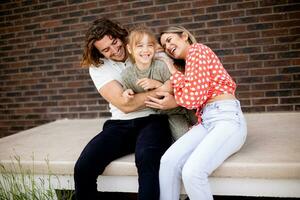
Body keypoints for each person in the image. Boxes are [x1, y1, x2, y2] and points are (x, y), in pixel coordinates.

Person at [74, 18, 173, 200]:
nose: (114, 50)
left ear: (120, 36)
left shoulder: (143, 48)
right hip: (120, 124)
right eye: (106, 49)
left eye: (114, 42)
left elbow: (175, 83)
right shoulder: (98, 67)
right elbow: (125, 105)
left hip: (154, 118)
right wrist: (161, 90)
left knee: (147, 158)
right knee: (83, 167)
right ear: (98, 53)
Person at [146, 26, 247, 200]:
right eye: (164, 46)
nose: (168, 47)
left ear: (184, 36)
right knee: (168, 161)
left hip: (226, 118)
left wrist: (171, 70)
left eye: (170, 40)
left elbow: (191, 99)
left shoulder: (197, 50)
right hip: (207, 121)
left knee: (192, 172)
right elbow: (191, 97)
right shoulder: (189, 65)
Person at [121, 26, 196, 140]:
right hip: (171, 114)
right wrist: (127, 92)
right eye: (140, 46)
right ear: (130, 49)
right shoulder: (127, 74)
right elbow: (127, 89)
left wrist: (157, 85)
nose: (145, 50)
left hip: (185, 106)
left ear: (155, 48)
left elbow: (178, 85)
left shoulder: (160, 66)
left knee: (205, 124)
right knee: (183, 139)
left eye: (149, 45)